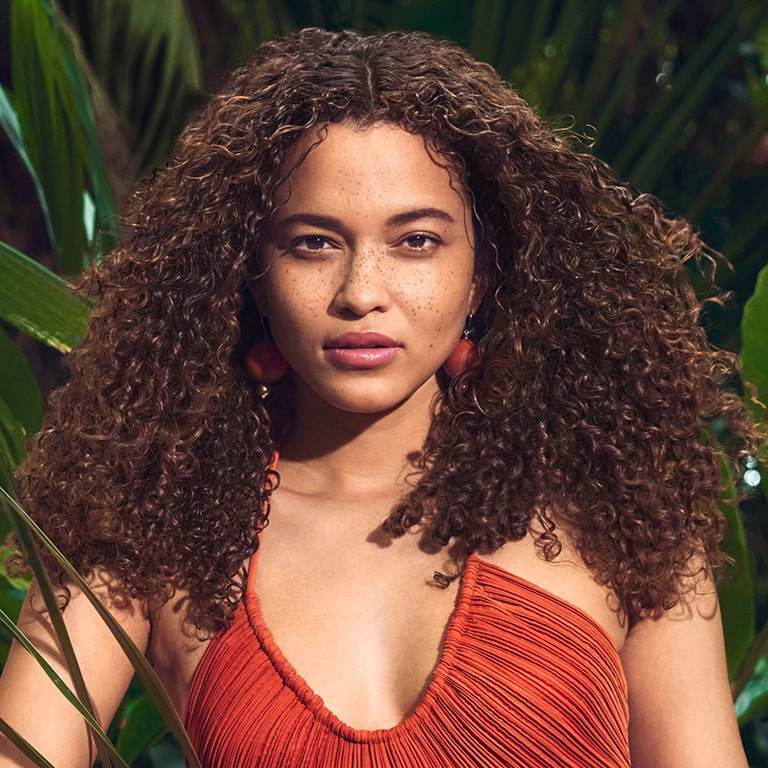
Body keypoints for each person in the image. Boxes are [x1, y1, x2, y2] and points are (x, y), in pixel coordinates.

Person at [0, 27, 758, 768]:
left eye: (417, 241)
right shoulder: (152, 529)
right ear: (250, 272)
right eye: (313, 243)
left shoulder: (621, 519)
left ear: (484, 271)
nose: (362, 293)